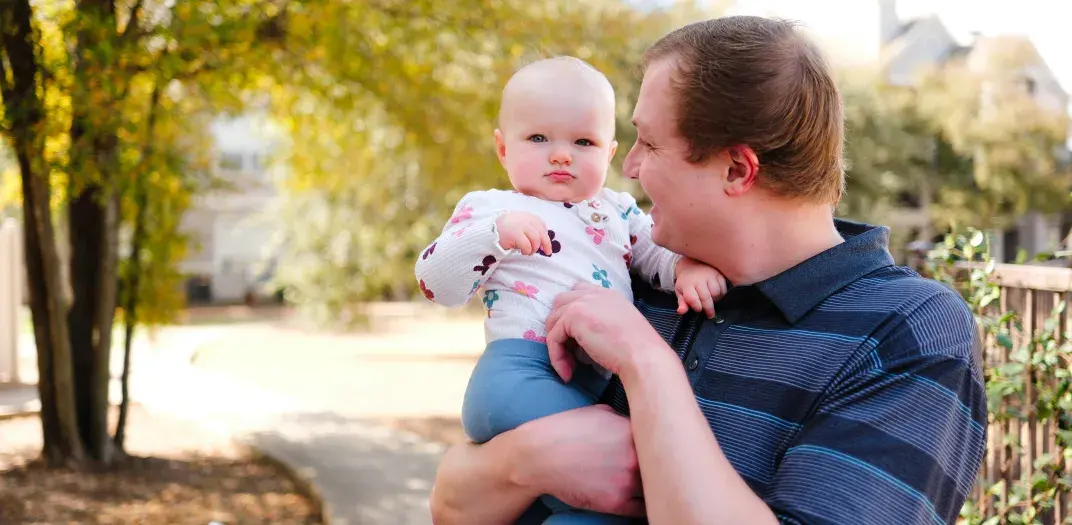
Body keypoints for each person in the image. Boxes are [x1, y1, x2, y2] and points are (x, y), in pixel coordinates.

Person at [429, 15, 987, 525]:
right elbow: (451, 503)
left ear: (737, 169)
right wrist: (527, 460)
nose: (628, 167)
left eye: (648, 143)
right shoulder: (636, 277)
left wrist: (647, 364)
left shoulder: (906, 332)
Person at [413, 57, 727, 523]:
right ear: (503, 148)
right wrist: (493, 235)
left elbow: (654, 253)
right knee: (622, 476)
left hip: (589, 382)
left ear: (610, 152)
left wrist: (685, 269)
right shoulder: (491, 208)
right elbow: (436, 283)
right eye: (538, 139)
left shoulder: (616, 211)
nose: (561, 154)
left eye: (583, 142)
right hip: (518, 375)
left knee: (570, 508)